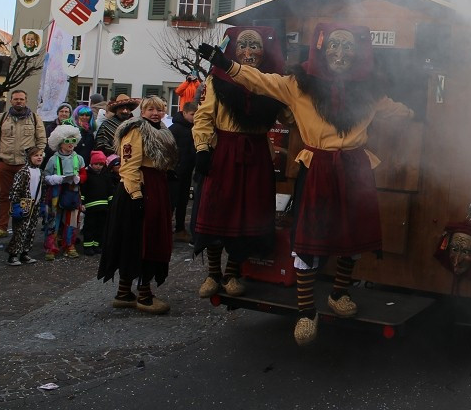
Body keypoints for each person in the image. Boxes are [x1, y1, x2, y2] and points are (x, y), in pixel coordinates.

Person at [198, 24, 414, 345]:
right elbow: (260, 80)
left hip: (356, 168)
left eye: (347, 47)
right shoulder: (298, 86)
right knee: (309, 238)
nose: (340, 54)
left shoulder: (370, 91)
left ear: (358, 54)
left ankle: (339, 294)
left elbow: (401, 113)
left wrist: (416, 103)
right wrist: (227, 65)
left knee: (351, 235)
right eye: (334, 47)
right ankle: (305, 310)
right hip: (318, 168)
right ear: (322, 51)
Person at [192, 28, 287, 298]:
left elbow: (290, 115)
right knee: (217, 210)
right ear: (232, 50)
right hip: (224, 150)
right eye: (242, 45)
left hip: (255, 153)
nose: (248, 52)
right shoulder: (216, 81)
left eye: (255, 46)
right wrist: (202, 148)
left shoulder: (272, 84)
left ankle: (232, 273)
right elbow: (204, 116)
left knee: (246, 216)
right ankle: (213, 273)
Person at [97, 95, 177, 314]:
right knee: (142, 241)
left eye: (159, 110)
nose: (155, 113)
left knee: (138, 239)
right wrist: (136, 196)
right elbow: (129, 166)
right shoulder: (135, 130)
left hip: (155, 187)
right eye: (150, 109)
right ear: (142, 111)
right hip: (140, 190)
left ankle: (124, 292)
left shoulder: (162, 130)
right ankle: (144, 295)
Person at [0, 89, 46, 240]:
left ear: (26, 101)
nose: (18, 101)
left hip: (25, 165)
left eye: (21, 99)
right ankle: (1, 227)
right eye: (16, 99)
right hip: (5, 163)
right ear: (11, 101)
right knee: (3, 196)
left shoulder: (35, 118)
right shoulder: (2, 118)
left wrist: (36, 159)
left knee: (25, 198)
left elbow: (41, 141)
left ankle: (21, 227)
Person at [42, 124, 85, 260]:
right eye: (67, 141)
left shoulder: (79, 158)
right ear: (60, 143)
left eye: (73, 140)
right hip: (56, 193)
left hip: (73, 192)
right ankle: (51, 247)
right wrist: (55, 179)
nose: (71, 144)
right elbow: (46, 177)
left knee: (72, 220)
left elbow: (84, 174)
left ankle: (69, 246)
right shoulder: (53, 159)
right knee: (53, 220)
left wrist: (79, 178)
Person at [6, 147, 43, 266]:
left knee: (31, 229)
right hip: (24, 203)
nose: (39, 157)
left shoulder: (40, 171)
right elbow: (15, 189)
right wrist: (16, 204)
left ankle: (25, 253)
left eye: (41, 155)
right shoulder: (23, 171)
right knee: (20, 230)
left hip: (35, 203)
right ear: (29, 157)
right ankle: (13, 255)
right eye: (36, 155)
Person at [168, 101, 197, 243]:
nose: (194, 117)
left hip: (187, 171)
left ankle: (180, 229)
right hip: (175, 172)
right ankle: (168, 230)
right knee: (172, 202)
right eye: (192, 114)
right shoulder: (175, 129)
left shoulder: (193, 128)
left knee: (183, 202)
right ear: (184, 113)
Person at [80, 150, 113, 256]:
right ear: (91, 163)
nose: (98, 166)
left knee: (101, 227)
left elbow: (110, 190)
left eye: (101, 164)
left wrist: (111, 202)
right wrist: (82, 203)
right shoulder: (87, 175)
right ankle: (88, 247)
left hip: (103, 207)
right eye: (96, 164)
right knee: (90, 226)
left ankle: (97, 245)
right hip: (91, 207)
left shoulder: (105, 175)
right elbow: (83, 190)